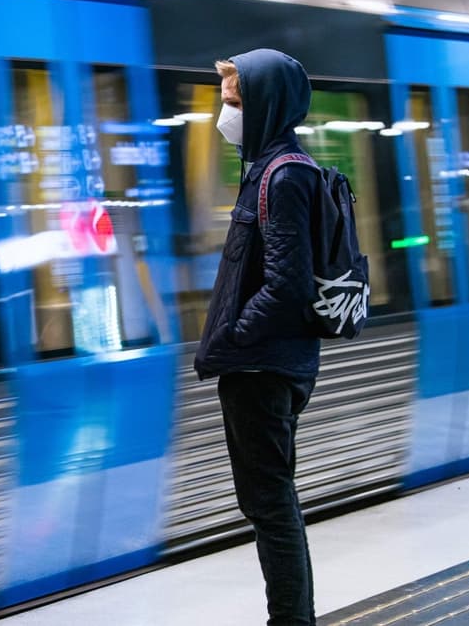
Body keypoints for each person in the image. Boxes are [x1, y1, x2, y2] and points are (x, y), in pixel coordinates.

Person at [194, 49, 321, 625]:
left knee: (270, 505)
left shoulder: (284, 174)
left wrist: (233, 340)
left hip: (263, 369)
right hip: (266, 363)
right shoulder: (269, 167)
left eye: (234, 102)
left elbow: (288, 285)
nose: (225, 114)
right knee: (268, 501)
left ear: (265, 103)